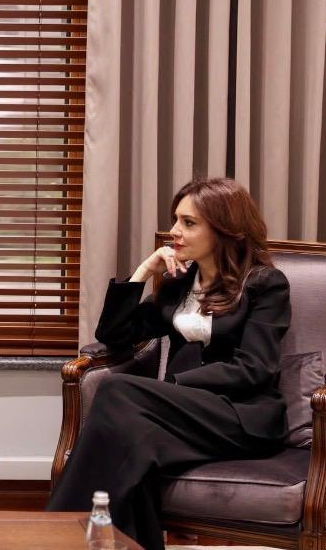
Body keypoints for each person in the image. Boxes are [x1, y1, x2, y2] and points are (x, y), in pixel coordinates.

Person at [47, 176, 290, 550]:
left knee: (116, 388)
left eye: (188, 223)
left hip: (240, 416)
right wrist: (143, 273)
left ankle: (55, 539)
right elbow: (115, 335)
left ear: (224, 230)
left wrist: (173, 384)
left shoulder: (265, 284)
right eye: (176, 219)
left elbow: (255, 369)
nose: (174, 231)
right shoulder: (181, 283)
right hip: (182, 414)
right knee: (135, 449)